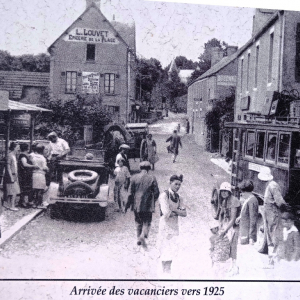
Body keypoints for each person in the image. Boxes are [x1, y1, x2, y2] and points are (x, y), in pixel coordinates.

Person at [258, 166, 287, 268]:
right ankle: (271, 261)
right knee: (270, 237)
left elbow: (280, 202)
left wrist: (283, 213)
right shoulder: (269, 185)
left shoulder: (273, 186)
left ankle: (273, 262)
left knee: (273, 237)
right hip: (269, 214)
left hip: (273, 214)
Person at [126, 161, 160, 249]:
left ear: (140, 168)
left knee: (138, 221)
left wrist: (128, 204)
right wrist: (153, 200)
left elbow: (130, 193)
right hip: (148, 204)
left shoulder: (134, 177)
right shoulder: (152, 178)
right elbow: (156, 192)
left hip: (136, 204)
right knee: (147, 222)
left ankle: (138, 238)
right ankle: (143, 236)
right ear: (149, 169)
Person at [158, 174, 187, 273]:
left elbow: (184, 213)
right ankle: (164, 272)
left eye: (179, 184)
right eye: (176, 184)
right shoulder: (164, 195)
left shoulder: (180, 197)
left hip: (174, 227)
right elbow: (166, 213)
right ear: (170, 183)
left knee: (171, 250)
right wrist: (177, 211)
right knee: (165, 249)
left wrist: (173, 210)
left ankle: (168, 271)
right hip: (165, 226)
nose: (178, 186)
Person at [218, 182, 241, 276]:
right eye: (222, 191)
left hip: (235, 225)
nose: (224, 193)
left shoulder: (234, 201)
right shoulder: (224, 201)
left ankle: (235, 267)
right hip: (227, 224)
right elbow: (221, 214)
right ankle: (230, 266)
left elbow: (233, 219)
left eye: (226, 191)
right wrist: (220, 225)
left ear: (229, 192)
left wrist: (225, 231)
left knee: (233, 245)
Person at [237, 180, 259, 245]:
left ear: (246, 192)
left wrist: (251, 237)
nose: (241, 194)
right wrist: (240, 217)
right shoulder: (248, 199)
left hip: (247, 235)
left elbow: (253, 220)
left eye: (242, 192)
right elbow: (246, 213)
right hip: (244, 232)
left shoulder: (252, 201)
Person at [18, 143, 38, 208]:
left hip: (27, 173)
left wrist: (31, 159)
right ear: (27, 148)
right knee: (24, 187)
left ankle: (25, 201)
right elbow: (24, 164)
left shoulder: (27, 155)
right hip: (24, 173)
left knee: (28, 187)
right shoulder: (23, 155)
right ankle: (22, 201)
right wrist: (33, 166)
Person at [31, 144, 49, 209]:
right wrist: (47, 169)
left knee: (35, 190)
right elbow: (44, 167)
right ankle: (39, 204)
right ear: (42, 150)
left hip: (34, 174)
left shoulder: (32, 156)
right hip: (41, 174)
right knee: (40, 190)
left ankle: (34, 204)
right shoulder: (42, 158)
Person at [4, 142, 20, 211]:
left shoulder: (14, 155)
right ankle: (12, 206)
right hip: (11, 175)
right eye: (17, 147)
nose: (18, 149)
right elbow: (8, 167)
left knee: (12, 191)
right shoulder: (10, 155)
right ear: (14, 148)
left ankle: (8, 205)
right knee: (14, 191)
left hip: (15, 175)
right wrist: (11, 177)